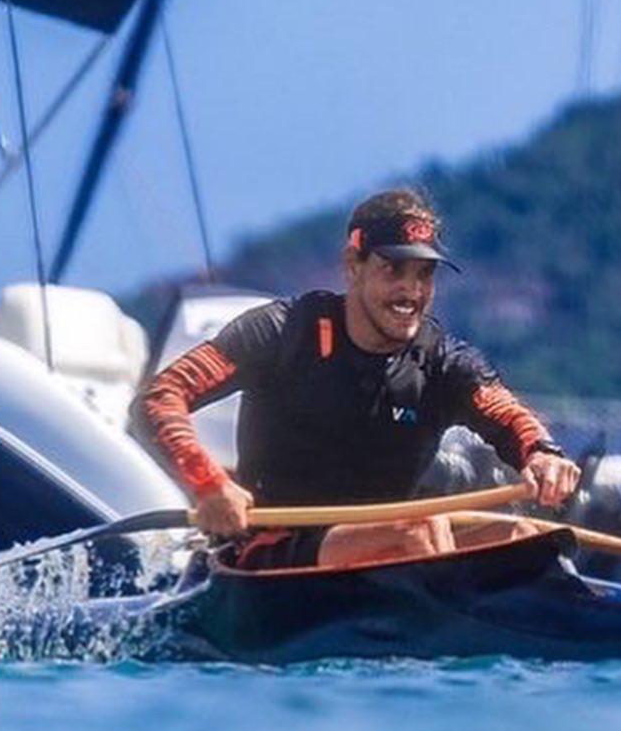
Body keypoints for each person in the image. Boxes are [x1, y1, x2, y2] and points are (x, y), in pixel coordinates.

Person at [133, 187, 580, 569]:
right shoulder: (282, 331)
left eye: (424, 274)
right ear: (353, 265)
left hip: (390, 553)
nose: (411, 290)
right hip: (272, 549)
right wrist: (208, 483)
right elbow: (161, 396)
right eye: (393, 269)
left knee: (525, 538)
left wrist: (543, 455)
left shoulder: (442, 361)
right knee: (420, 532)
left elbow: (510, 416)